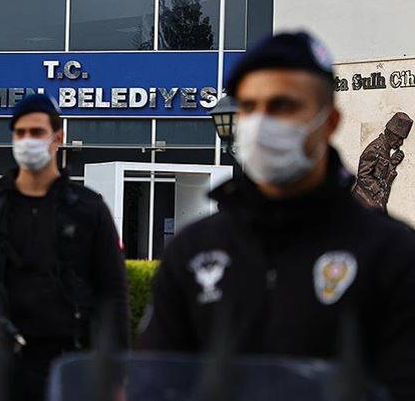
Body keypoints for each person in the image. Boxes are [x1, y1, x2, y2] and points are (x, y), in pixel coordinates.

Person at [137, 32, 415, 400]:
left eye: (283, 106)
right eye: (250, 106)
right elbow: (154, 381)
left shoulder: (392, 253)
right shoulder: (193, 250)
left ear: (329, 121)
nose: (263, 123)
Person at [0, 93, 130, 401]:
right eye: (20, 133)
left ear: (57, 138)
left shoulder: (89, 209)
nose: (27, 140)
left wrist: (115, 375)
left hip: (68, 364)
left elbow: (112, 295)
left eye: (36, 132)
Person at [352, 112, 413, 211]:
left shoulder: (385, 149)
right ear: (389, 133)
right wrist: (378, 191)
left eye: (402, 139)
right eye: (399, 138)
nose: (401, 143)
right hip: (363, 199)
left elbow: (380, 173)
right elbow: (363, 175)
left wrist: (392, 163)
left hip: (374, 199)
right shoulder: (375, 149)